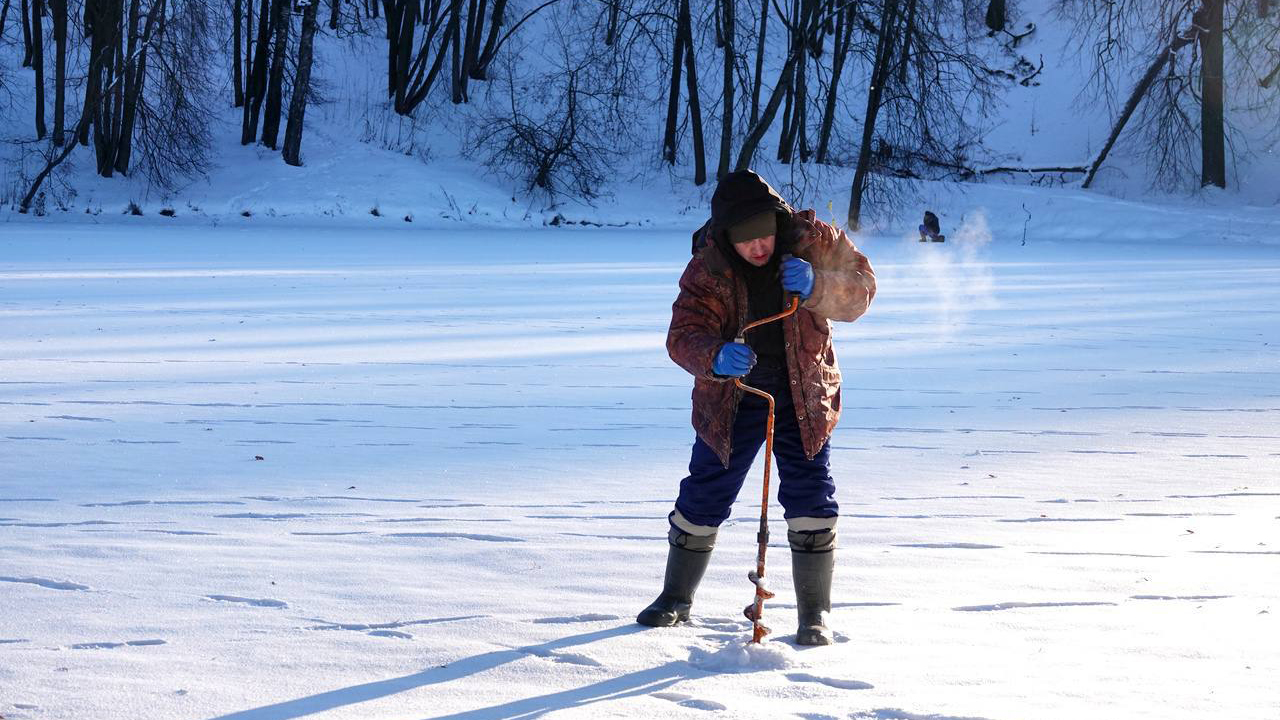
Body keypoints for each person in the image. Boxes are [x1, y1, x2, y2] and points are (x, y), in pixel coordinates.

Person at [636, 170, 876, 645]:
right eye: (745, 239)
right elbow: (683, 336)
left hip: (803, 392)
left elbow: (861, 290)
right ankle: (676, 598)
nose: (758, 245)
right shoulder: (707, 268)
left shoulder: (813, 240)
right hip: (732, 397)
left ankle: (814, 615)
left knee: (811, 493)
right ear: (726, 236)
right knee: (707, 489)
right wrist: (715, 357)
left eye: (764, 231)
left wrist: (818, 285)